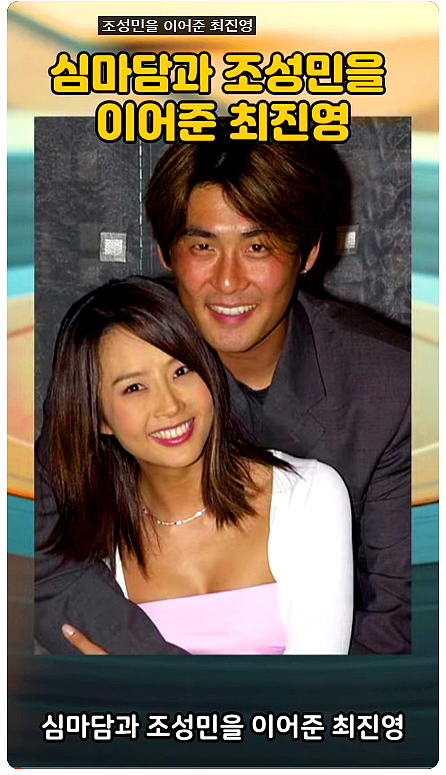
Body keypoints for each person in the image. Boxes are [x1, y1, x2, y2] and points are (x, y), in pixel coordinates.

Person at [35, 129, 410, 655]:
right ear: (167, 252)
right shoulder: (122, 350)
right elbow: (41, 553)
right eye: (203, 246)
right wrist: (158, 679)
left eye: (257, 246)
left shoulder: (394, 387)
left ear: (308, 252)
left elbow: (396, 617)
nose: (228, 281)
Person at [40, 277, 353, 655]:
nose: (170, 405)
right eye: (134, 388)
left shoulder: (308, 495)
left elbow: (315, 687)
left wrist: (145, 688)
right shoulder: (92, 534)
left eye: (181, 371)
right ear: (98, 417)